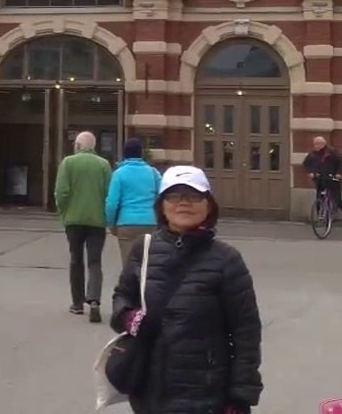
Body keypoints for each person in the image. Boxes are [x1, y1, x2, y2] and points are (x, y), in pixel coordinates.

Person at [110, 165, 263, 414]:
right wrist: (129, 318)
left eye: (193, 196)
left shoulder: (227, 259)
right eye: (174, 196)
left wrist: (240, 395)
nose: (184, 203)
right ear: (161, 205)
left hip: (206, 392)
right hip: (150, 389)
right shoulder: (144, 249)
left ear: (208, 205)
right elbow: (122, 297)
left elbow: (246, 331)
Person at [54, 131, 111, 323]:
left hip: (74, 220)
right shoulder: (104, 165)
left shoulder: (68, 163)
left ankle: (77, 304)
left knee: (75, 259)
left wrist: (65, 213)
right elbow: (108, 194)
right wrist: (107, 216)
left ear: (78, 145)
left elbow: (61, 192)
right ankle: (94, 300)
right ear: (94, 146)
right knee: (95, 262)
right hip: (97, 221)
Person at [105, 138, 161, 266]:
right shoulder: (153, 173)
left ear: (124, 154)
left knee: (129, 265)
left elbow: (112, 203)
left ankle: (132, 285)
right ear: (141, 154)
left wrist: (111, 223)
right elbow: (163, 195)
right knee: (148, 265)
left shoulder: (118, 174)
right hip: (149, 222)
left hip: (126, 224)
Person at [301, 136, 342, 226]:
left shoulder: (332, 152)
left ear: (323, 144)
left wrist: (339, 174)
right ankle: (321, 218)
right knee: (319, 199)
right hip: (320, 180)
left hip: (333, 180)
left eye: (317, 144)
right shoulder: (312, 154)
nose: (315, 146)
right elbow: (306, 164)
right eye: (315, 144)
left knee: (338, 201)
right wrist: (311, 172)